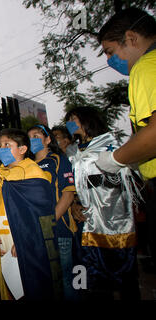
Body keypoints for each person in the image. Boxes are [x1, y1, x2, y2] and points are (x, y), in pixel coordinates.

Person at [96, 8, 156, 273]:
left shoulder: (145, 67)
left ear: (131, 38)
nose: (110, 60)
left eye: (110, 51)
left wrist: (115, 159)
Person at [65, 106, 142, 300]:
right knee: (85, 272)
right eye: (68, 120)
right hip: (83, 218)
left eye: (73, 118)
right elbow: (70, 183)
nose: (70, 123)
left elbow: (121, 178)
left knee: (122, 273)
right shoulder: (71, 150)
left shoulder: (109, 143)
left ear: (87, 120)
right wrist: (74, 203)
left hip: (113, 218)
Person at [0, 128, 62, 300]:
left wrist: (23, 240)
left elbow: (41, 216)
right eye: (0, 145)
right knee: (8, 291)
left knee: (31, 287)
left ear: (22, 149)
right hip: (2, 240)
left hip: (24, 241)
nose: (1, 149)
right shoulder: (0, 175)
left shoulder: (33, 174)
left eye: (7, 145)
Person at [27, 124, 78, 301]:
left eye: (36, 136)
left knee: (65, 282)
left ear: (48, 139)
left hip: (58, 230)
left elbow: (68, 194)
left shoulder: (59, 160)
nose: (32, 140)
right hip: (35, 233)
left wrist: (49, 222)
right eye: (30, 137)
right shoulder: (28, 166)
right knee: (44, 283)